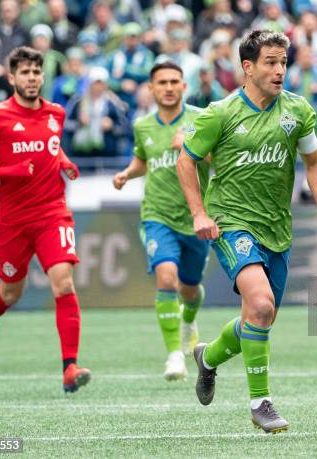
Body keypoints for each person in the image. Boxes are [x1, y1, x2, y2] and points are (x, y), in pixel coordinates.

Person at [176, 30, 317, 433]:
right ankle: (261, 403)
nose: (279, 70)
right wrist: (199, 213)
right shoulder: (221, 113)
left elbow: (314, 161)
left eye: (283, 62)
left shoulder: (297, 111)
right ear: (247, 67)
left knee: (259, 318)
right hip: (231, 224)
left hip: (277, 229)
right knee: (261, 306)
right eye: (270, 62)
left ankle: (208, 358)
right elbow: (186, 160)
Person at [0, 46, 91, 393]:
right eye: (25, 72)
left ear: (42, 76)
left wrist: (62, 159)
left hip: (53, 213)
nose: (31, 78)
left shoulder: (56, 113)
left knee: (63, 282)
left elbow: (50, 145)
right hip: (13, 221)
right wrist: (11, 170)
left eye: (36, 72)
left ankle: (69, 367)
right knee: (10, 291)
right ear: (12, 77)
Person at [113, 62, 210, 380]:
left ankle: (188, 321)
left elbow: (220, 157)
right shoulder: (142, 126)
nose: (168, 87)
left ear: (184, 87)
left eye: (174, 81)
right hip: (158, 214)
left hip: (196, 217)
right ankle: (174, 357)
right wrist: (128, 173)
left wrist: (191, 146)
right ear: (151, 89)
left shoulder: (201, 118)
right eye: (162, 82)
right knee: (166, 278)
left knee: (190, 289)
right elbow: (144, 158)